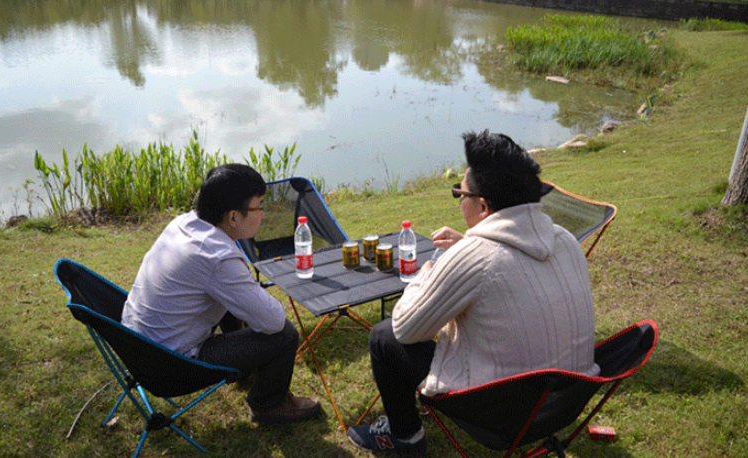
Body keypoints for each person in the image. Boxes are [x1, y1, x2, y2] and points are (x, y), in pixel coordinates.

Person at [346, 130, 599, 454]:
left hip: (502, 417)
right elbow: (510, 265)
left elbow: (406, 328)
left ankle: (404, 436)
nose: (459, 198)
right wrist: (468, 244)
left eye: (459, 193)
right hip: (565, 401)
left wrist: (430, 272)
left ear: (482, 205)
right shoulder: (565, 239)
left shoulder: (475, 258)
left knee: (384, 338)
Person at [121, 163, 321, 425]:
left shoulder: (183, 223)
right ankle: (268, 405)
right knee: (284, 334)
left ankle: (242, 371)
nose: (262, 214)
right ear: (234, 217)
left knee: (233, 301)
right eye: (259, 206)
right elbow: (272, 321)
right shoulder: (217, 256)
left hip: (136, 346)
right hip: (169, 366)